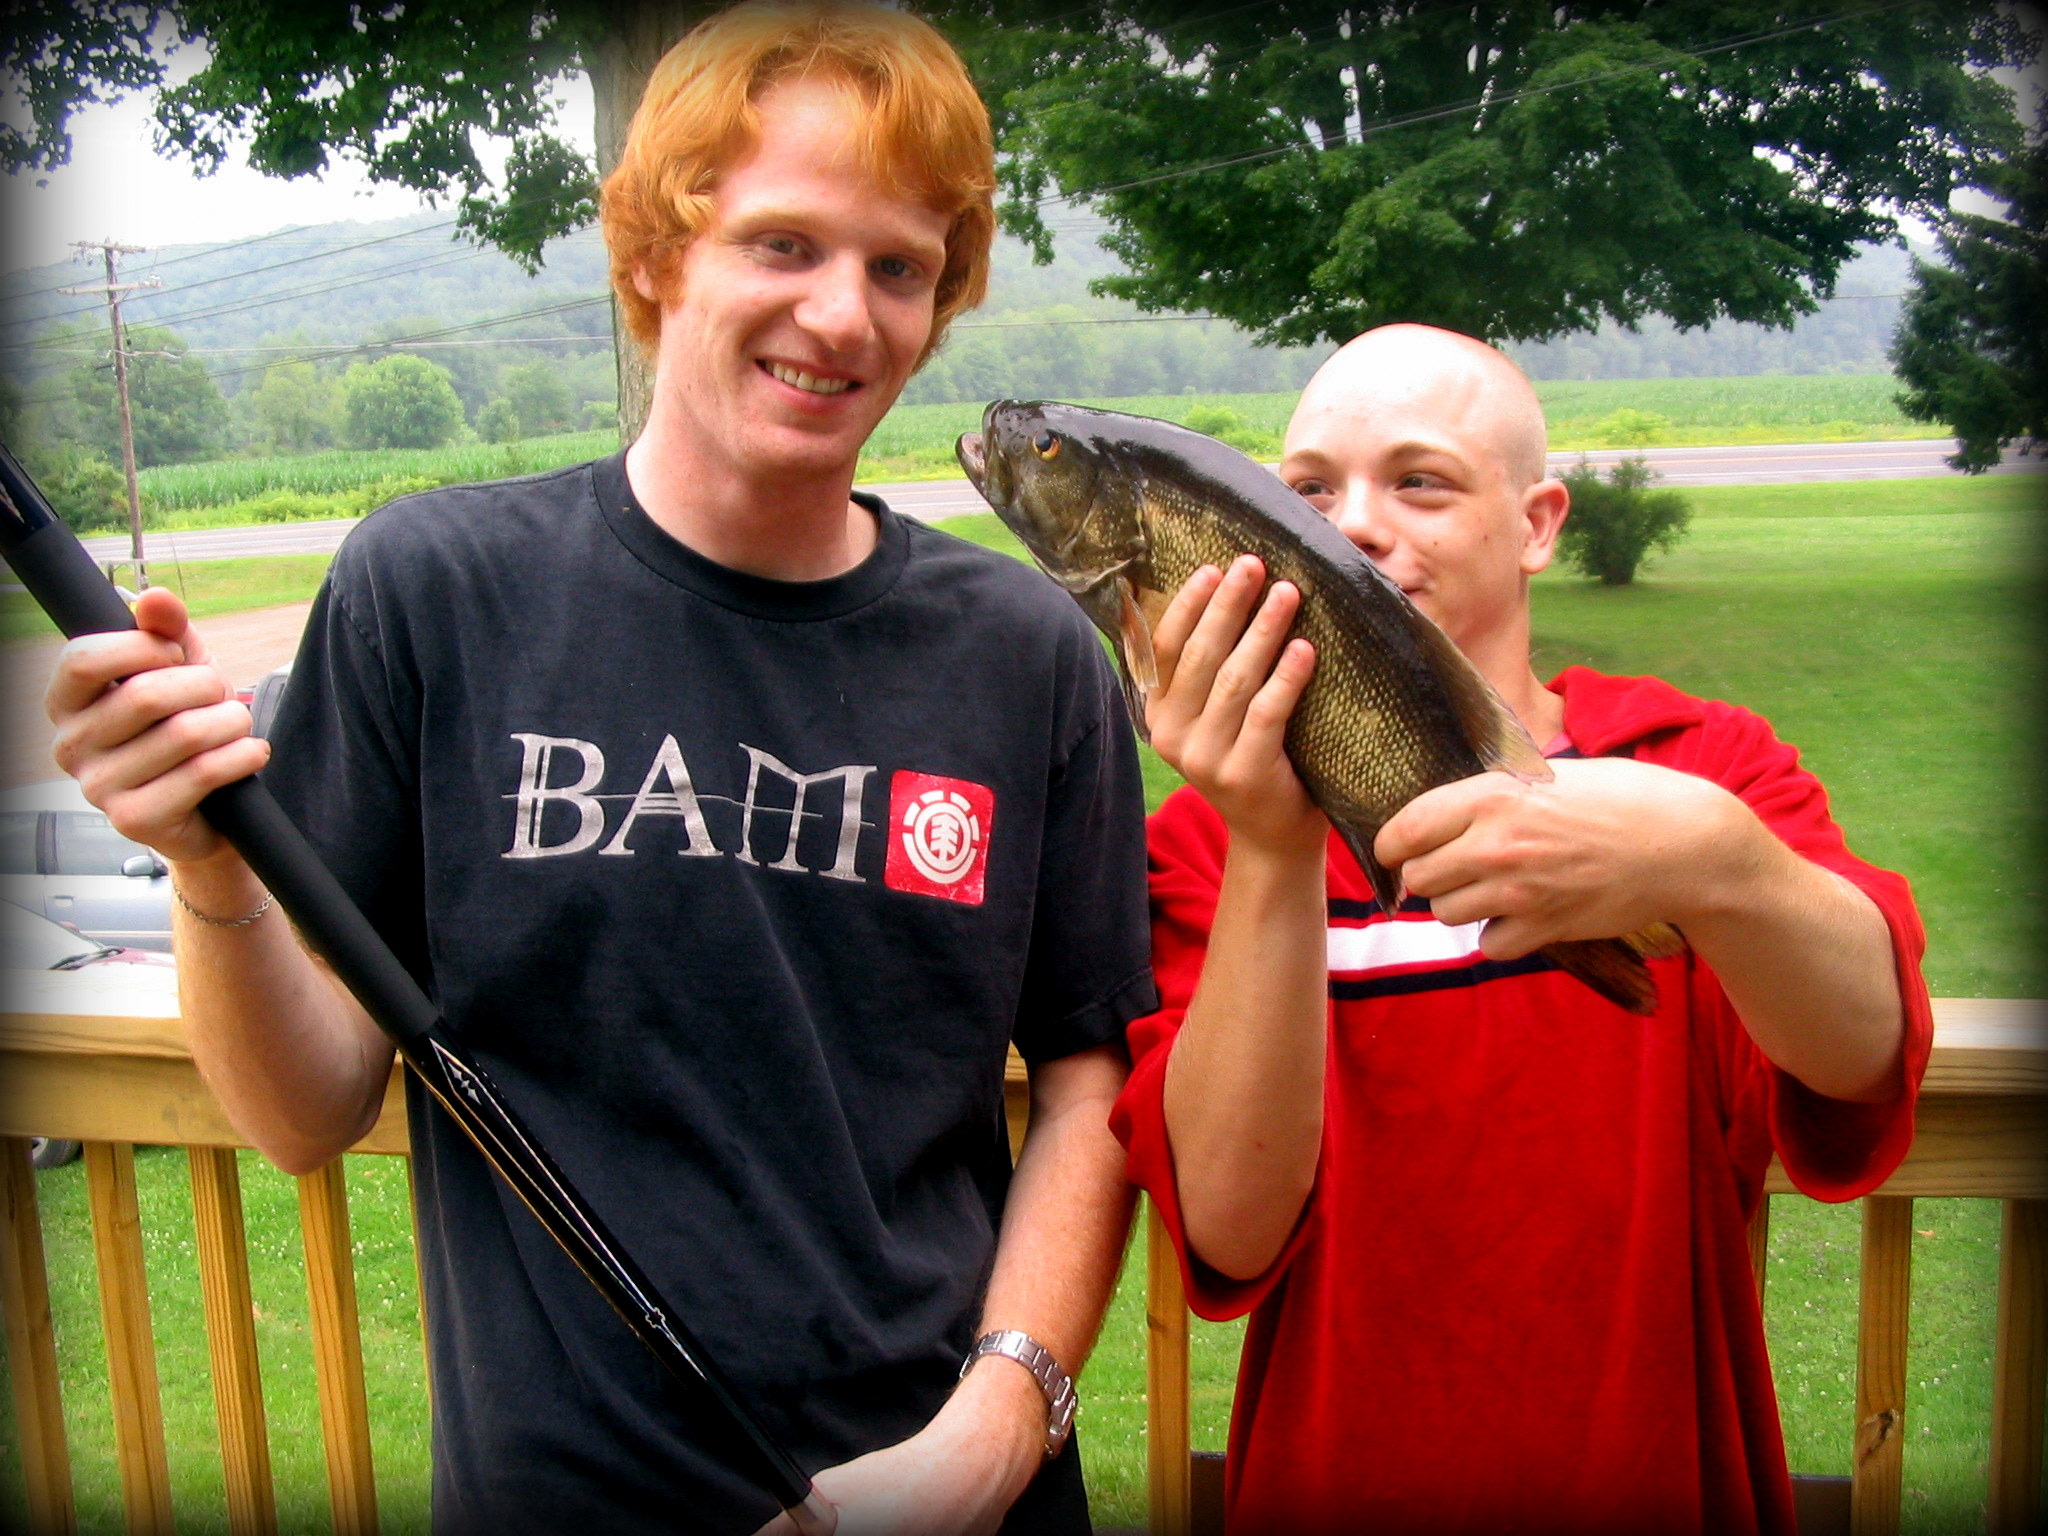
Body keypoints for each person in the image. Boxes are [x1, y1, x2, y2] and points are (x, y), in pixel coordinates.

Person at [44, 7, 1156, 1533]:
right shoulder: (433, 591)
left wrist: (992, 1430)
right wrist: (209, 862)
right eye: (781, 245)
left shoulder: (1024, 654)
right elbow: (302, 1112)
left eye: (899, 265)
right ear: (654, 259)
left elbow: (1094, 1065)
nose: (843, 315)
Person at [1110, 323, 1931, 1535]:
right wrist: (1274, 840)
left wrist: (1711, 859)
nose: (1354, 524)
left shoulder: (1693, 769)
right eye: (1306, 492)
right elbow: (1230, 1226)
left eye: (1419, 480)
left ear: (1538, 523)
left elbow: (1861, 1057)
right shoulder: (1206, 842)